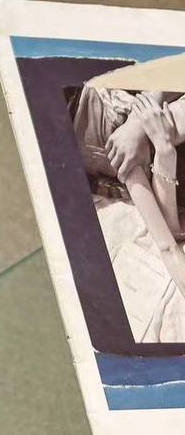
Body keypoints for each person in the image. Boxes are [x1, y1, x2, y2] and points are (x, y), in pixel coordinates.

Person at [73, 86, 185, 342]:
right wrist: (140, 128)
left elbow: (171, 237)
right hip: (107, 124)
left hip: (113, 171)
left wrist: (162, 151)